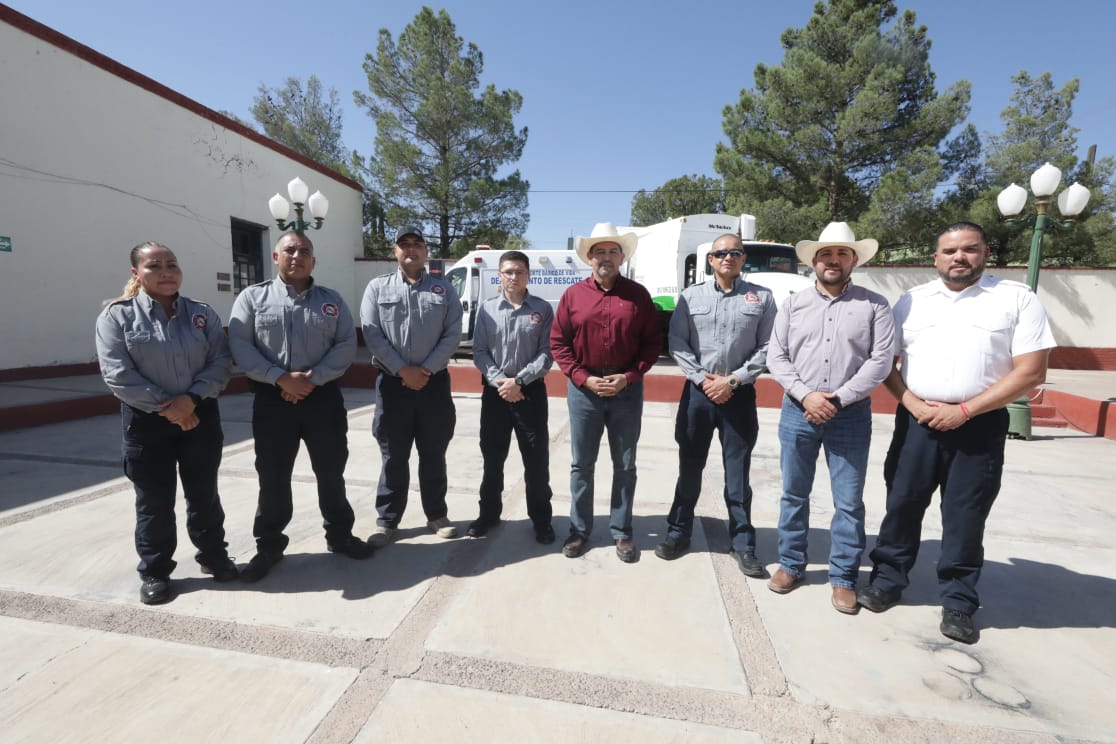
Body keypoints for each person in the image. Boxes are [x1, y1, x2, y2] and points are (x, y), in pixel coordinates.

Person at [858, 221, 1055, 643]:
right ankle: (888, 580)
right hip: (916, 422)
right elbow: (886, 363)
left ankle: (959, 602)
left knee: (965, 516)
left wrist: (965, 410)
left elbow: (1031, 371)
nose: (959, 258)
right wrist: (910, 403)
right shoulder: (912, 301)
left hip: (979, 426)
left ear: (985, 253)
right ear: (936, 257)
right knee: (903, 504)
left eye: (969, 249)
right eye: (950, 251)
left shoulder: (1016, 299)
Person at [95, 242, 236, 605]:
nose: (165, 272)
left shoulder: (201, 315)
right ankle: (156, 571)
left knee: (204, 494)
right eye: (154, 265)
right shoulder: (117, 317)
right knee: (154, 501)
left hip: (200, 416)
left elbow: (220, 361)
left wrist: (191, 401)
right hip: (146, 422)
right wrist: (168, 407)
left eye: (171, 264)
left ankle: (214, 557)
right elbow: (117, 374)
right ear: (136, 274)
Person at [228, 231, 372, 582]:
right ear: (275, 257)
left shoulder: (331, 301)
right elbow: (240, 344)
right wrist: (280, 378)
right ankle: (269, 546)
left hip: (321, 398)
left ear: (313, 260)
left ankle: (340, 535)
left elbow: (344, 344)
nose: (297, 256)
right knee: (273, 476)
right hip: (272, 400)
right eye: (289, 250)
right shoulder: (252, 297)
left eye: (304, 251)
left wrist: (311, 379)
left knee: (331, 471)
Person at [765, 223, 894, 613]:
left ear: (854, 260)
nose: (833, 260)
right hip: (797, 412)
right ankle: (790, 563)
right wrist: (807, 395)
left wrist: (837, 400)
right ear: (814, 262)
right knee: (793, 494)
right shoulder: (792, 305)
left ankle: (842, 577)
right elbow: (777, 356)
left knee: (849, 501)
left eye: (841, 253)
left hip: (850, 416)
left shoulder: (875, 306)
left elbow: (880, 361)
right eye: (826, 254)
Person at [655, 233, 776, 578]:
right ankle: (678, 533)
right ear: (710, 260)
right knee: (689, 467)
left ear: (743, 258)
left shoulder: (762, 298)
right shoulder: (691, 297)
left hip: (738, 396)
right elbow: (677, 341)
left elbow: (768, 345)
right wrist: (701, 378)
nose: (728, 257)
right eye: (721, 253)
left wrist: (733, 380)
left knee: (737, 474)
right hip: (698, 393)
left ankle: (742, 544)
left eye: (735, 252)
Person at [550, 222, 661, 562]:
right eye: (600, 252)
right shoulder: (573, 296)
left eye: (613, 251)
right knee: (582, 465)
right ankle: (580, 530)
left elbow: (652, 343)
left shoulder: (638, 296)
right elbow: (559, 343)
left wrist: (629, 376)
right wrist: (583, 377)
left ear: (622, 257)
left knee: (625, 464)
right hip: (584, 392)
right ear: (589, 258)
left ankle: (622, 531)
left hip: (626, 391)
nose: (606, 258)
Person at [361, 226, 463, 547]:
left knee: (433, 452)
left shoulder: (444, 291)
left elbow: (452, 334)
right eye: (404, 245)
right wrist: (403, 370)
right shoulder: (377, 289)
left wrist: (425, 370)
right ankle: (387, 521)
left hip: (434, 385)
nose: (411, 250)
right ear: (395, 252)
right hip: (392, 385)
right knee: (393, 455)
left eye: (417, 245)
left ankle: (437, 515)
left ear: (426, 252)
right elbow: (372, 333)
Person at [470, 250, 556, 543]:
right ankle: (488, 515)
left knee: (535, 461)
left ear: (528, 275)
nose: (514, 277)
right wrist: (501, 383)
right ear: (500, 275)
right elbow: (479, 351)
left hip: (530, 394)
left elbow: (547, 353)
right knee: (492, 459)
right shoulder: (486, 309)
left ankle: (542, 520)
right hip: (495, 395)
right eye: (508, 271)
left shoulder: (543, 310)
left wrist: (518, 381)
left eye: (519, 271)